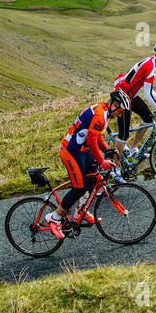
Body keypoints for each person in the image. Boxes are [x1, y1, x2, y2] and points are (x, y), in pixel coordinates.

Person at [43, 90, 129, 237]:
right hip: (71, 151)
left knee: (94, 178)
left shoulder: (103, 111)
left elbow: (96, 137)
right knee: (79, 187)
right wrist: (102, 161)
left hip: (82, 150)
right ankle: (54, 218)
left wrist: (106, 150)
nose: (120, 115)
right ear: (114, 105)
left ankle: (79, 211)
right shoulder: (100, 115)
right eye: (120, 111)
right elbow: (91, 141)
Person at [111, 42, 156, 165]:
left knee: (148, 118)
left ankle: (133, 149)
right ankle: (116, 169)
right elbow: (147, 94)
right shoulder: (150, 67)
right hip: (123, 98)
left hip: (131, 95)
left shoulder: (152, 62)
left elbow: (150, 91)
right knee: (123, 135)